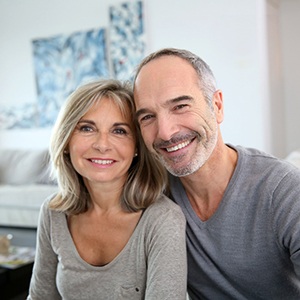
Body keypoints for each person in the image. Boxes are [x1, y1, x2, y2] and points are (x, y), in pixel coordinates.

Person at [133, 48, 300, 299]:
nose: (165, 132)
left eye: (180, 106)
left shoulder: (284, 190)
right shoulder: (152, 195)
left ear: (217, 105)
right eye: (148, 116)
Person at [27, 79, 187, 300]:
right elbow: (39, 297)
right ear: (66, 141)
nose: (102, 145)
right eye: (87, 128)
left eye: (119, 131)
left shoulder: (162, 219)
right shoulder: (54, 213)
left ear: (137, 148)